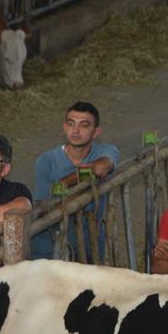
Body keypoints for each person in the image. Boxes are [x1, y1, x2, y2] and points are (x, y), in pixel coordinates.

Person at [31, 102, 119, 260]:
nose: (75, 131)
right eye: (71, 124)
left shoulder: (106, 150)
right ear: (64, 127)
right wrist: (85, 188)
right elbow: (47, 209)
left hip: (91, 242)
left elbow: (100, 168)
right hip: (54, 247)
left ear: (96, 131)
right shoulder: (45, 161)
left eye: (84, 125)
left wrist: (66, 183)